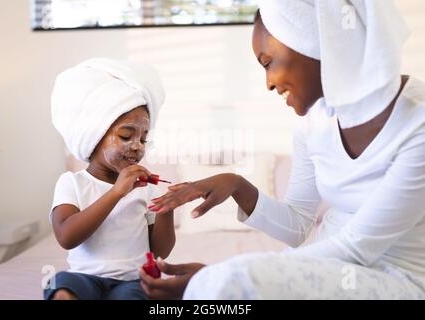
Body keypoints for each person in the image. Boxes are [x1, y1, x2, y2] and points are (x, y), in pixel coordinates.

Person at [139, 1, 425, 299]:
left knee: (224, 284)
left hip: (396, 279)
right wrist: (236, 185)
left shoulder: (418, 126)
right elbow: (298, 226)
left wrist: (218, 275)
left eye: (268, 62)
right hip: (327, 271)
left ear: (315, 40)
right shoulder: (314, 123)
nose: (268, 84)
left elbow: (357, 246)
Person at [44, 58, 175, 300]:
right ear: (94, 137)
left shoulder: (145, 190)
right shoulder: (72, 183)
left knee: (136, 295)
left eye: (144, 139)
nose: (137, 147)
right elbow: (67, 237)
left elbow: (159, 251)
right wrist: (116, 192)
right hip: (84, 278)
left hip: (131, 280)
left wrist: (166, 211)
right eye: (126, 136)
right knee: (60, 285)